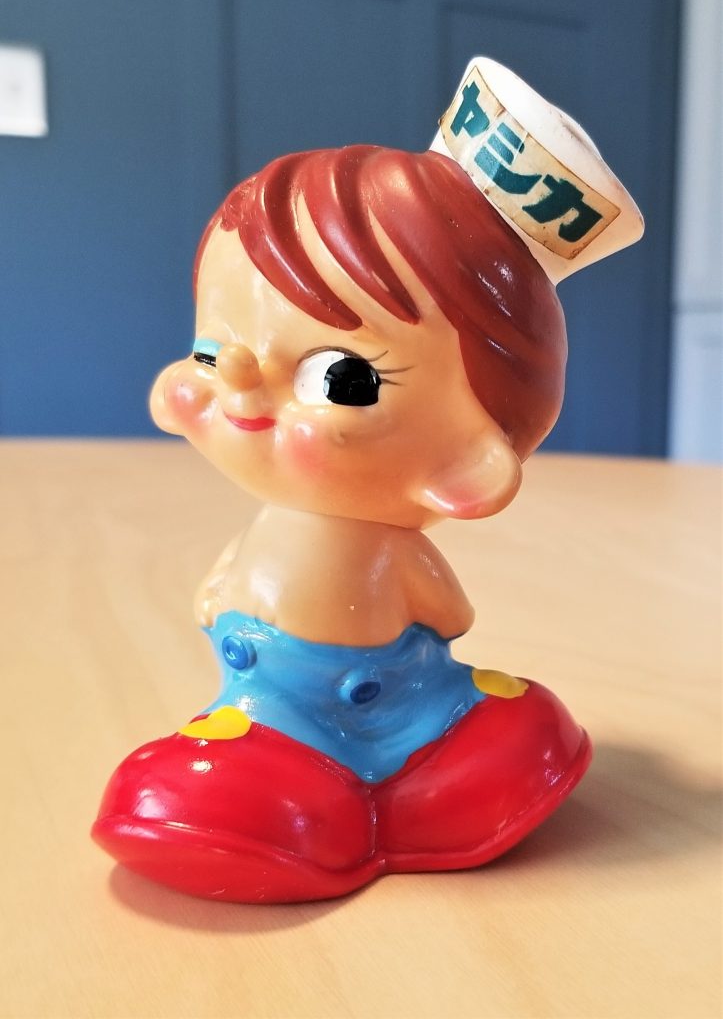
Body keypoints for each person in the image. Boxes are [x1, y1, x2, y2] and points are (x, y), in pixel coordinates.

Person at [92, 144, 592, 902]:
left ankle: (366, 792)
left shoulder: (393, 549)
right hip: (263, 695)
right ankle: (257, 790)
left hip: (389, 704)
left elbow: (447, 615)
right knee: (220, 763)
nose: (239, 381)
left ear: (466, 465)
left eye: (339, 378)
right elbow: (441, 613)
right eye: (212, 351)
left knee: (513, 727)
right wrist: (219, 593)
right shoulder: (272, 524)